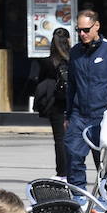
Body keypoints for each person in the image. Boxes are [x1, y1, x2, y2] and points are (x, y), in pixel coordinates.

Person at [65, 9, 107, 191]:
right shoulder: (75, 52)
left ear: (97, 26)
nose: (82, 34)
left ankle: (105, 195)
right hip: (79, 115)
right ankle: (78, 195)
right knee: (73, 154)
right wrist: (67, 115)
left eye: (86, 30)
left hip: (104, 114)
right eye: (79, 30)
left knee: (105, 161)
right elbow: (71, 85)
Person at [29, 27, 70, 178]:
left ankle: (62, 172)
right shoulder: (73, 59)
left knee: (59, 139)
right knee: (73, 140)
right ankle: (74, 170)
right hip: (71, 102)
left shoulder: (47, 62)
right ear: (68, 41)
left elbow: (39, 81)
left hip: (55, 102)